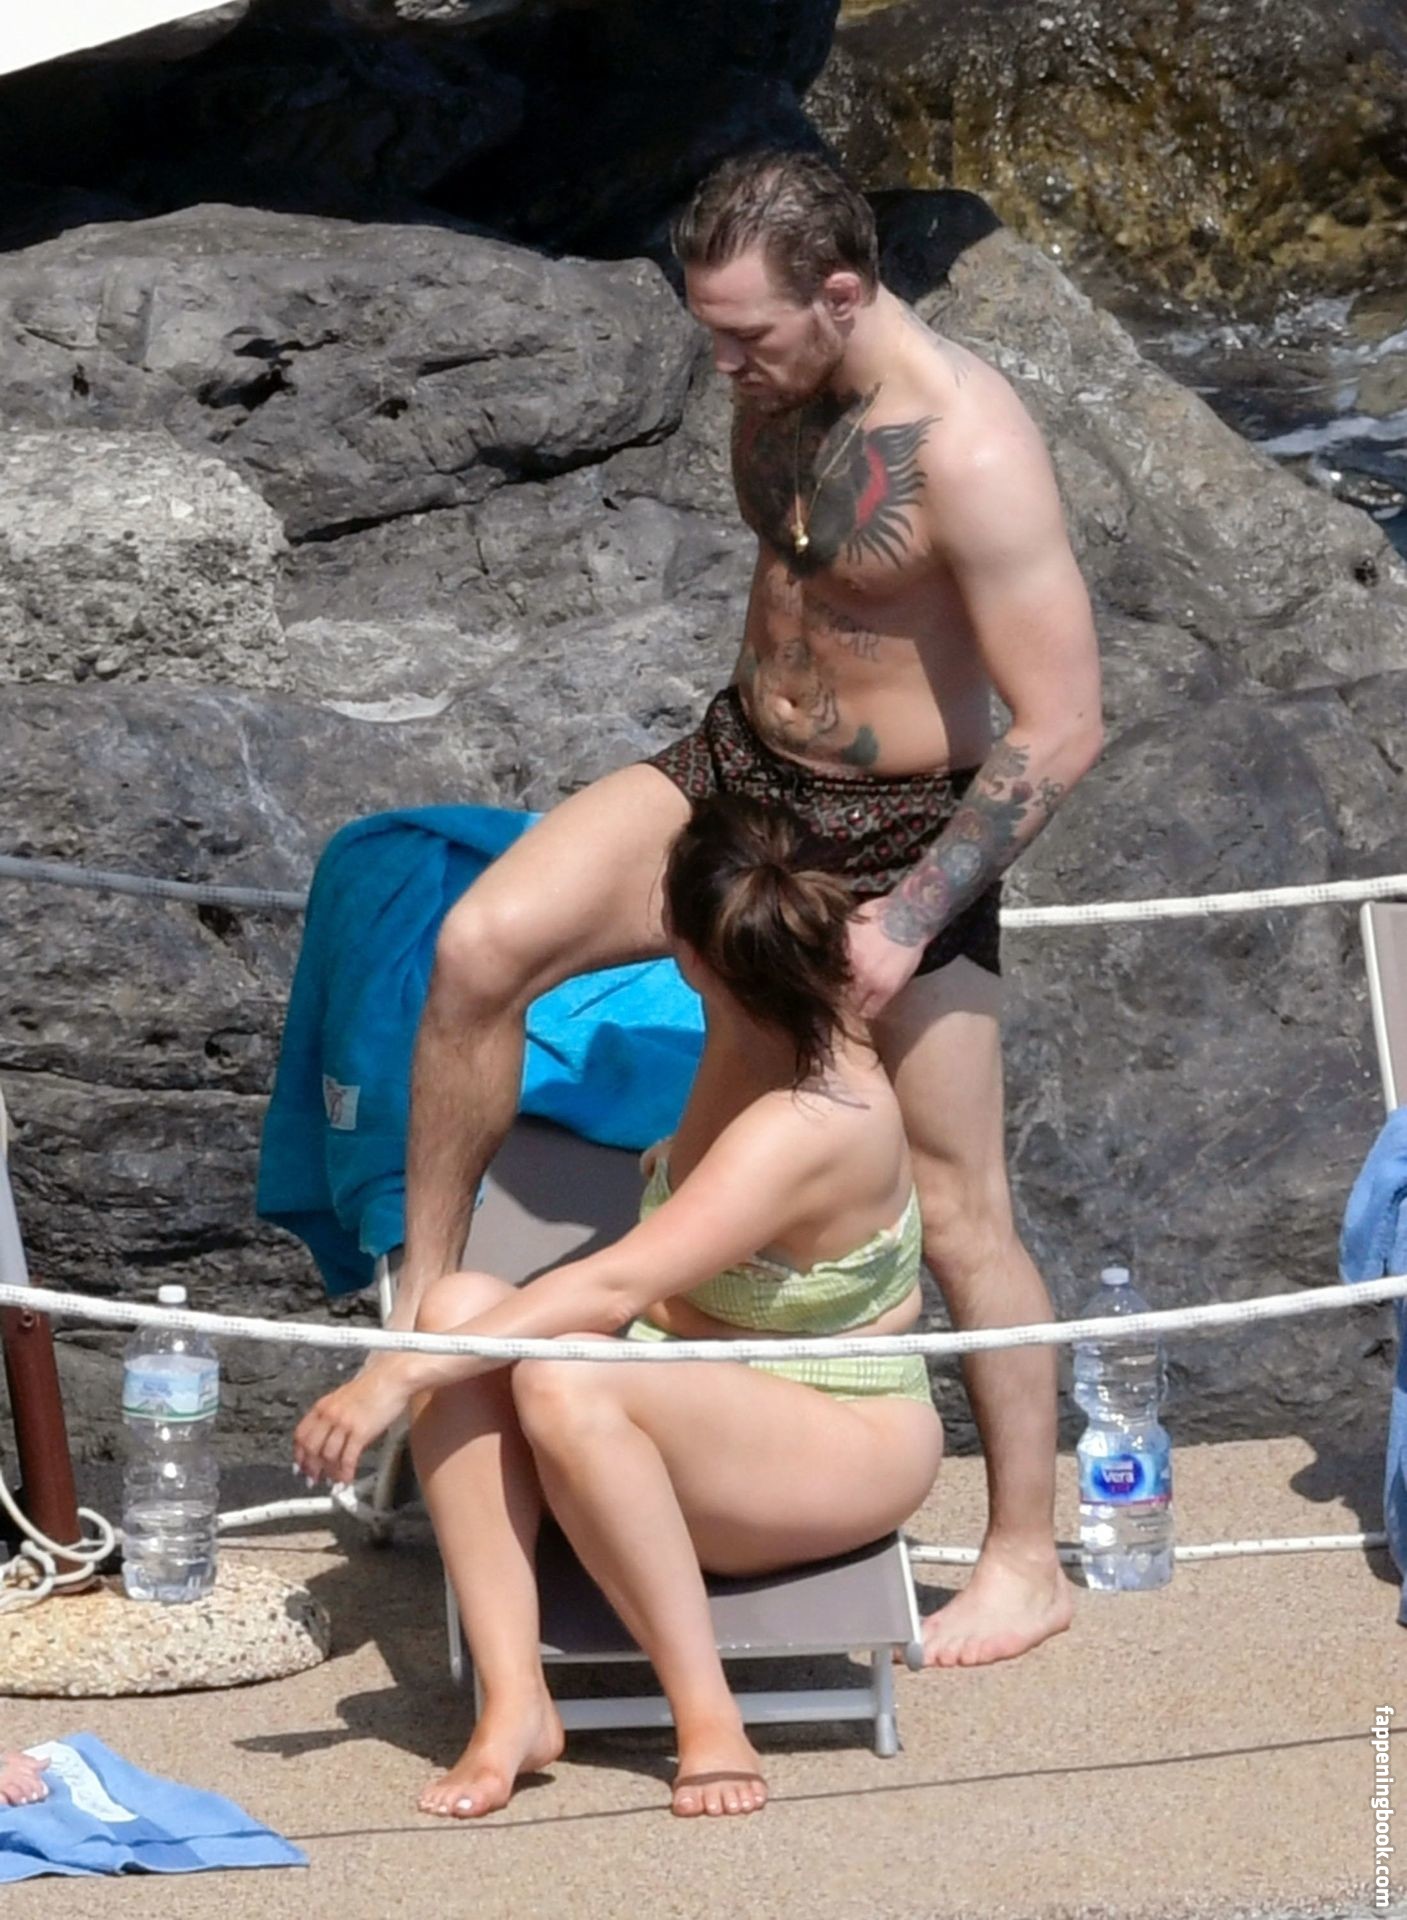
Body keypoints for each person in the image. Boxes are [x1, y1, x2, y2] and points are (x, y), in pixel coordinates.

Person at [385, 149, 1103, 1668]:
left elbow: (1061, 727)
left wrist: (903, 922)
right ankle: (422, 1320)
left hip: (896, 831)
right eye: (708, 330)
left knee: (956, 1198)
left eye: (745, 335)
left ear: (840, 294)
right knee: (479, 947)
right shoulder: (777, 377)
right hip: (735, 768)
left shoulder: (972, 450)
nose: (721, 363)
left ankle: (1025, 1555)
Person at [295, 794, 945, 1820]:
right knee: (458, 1302)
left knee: (562, 1373)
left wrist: (394, 1377)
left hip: (841, 1437)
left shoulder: (815, 1114)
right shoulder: (748, 1023)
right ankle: (515, 1704)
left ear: (680, 947)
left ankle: (708, 1718)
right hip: (693, 1398)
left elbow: (612, 1286)